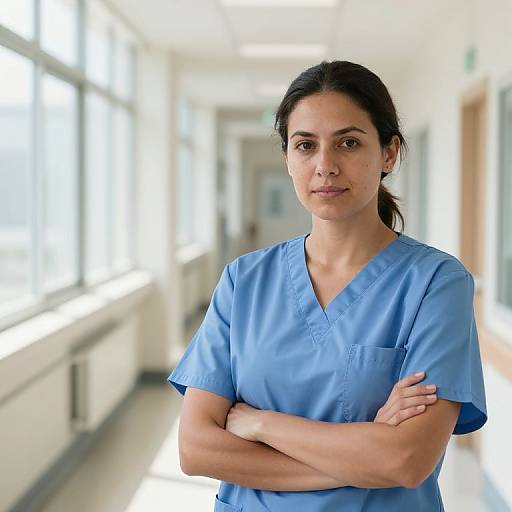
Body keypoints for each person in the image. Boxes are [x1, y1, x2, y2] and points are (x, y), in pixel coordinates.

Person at [167, 60, 487, 511]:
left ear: (389, 153)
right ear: (287, 158)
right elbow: (197, 448)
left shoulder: (436, 283)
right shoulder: (244, 281)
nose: (325, 166)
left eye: (349, 143)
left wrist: (261, 424)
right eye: (305, 145)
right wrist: (364, 453)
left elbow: (407, 459)